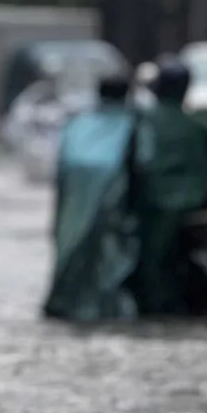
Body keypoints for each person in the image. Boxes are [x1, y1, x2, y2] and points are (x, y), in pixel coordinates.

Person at [127, 59, 207, 316]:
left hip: (152, 208)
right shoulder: (200, 124)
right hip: (197, 207)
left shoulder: (140, 123)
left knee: (149, 269)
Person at [43, 71, 146, 321]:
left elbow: (60, 171)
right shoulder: (134, 123)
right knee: (109, 258)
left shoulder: (77, 123)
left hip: (73, 205)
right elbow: (143, 164)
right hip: (112, 199)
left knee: (72, 255)